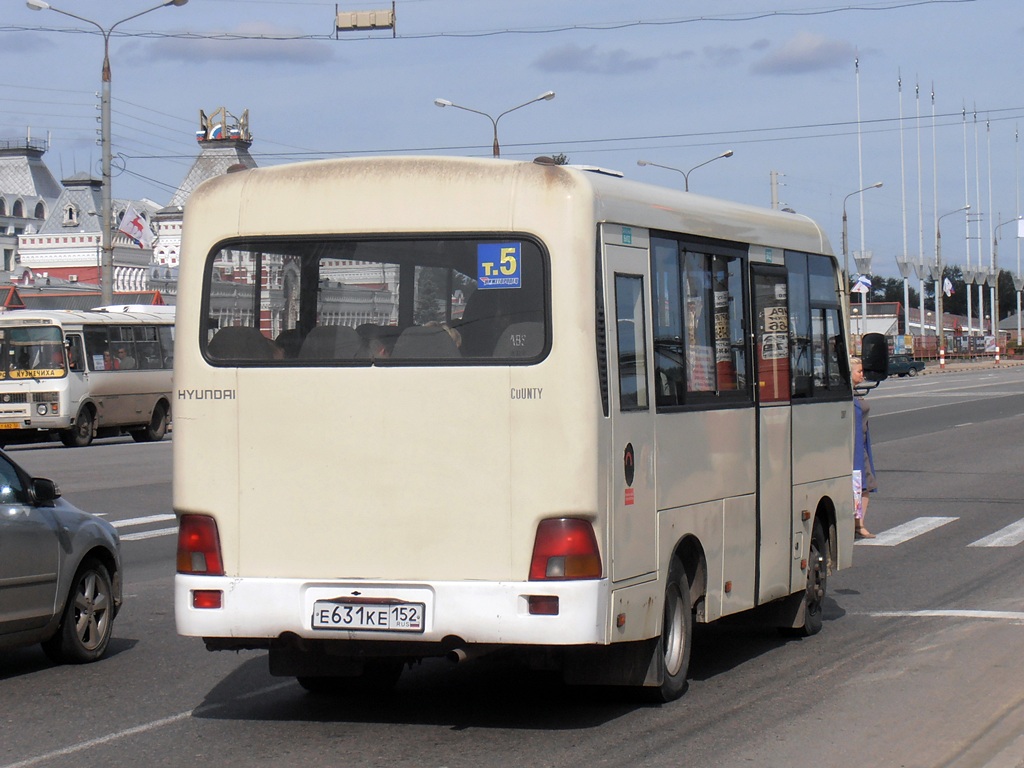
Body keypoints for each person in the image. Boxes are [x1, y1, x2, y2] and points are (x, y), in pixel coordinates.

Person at [850, 356, 877, 539]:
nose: (863, 375)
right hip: (854, 447)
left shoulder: (855, 393)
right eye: (859, 371)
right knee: (861, 485)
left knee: (865, 485)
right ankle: (858, 524)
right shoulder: (846, 396)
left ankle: (858, 522)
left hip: (861, 443)